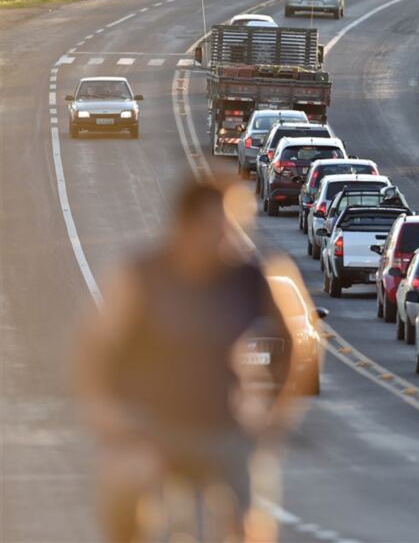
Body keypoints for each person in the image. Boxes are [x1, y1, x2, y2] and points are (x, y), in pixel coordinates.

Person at [76, 178, 299, 542]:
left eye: (234, 228)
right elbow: (94, 344)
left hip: (225, 421)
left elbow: (294, 341)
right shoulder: (142, 274)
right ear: (186, 225)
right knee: (126, 486)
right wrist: (103, 408)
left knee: (247, 521)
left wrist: (276, 413)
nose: (229, 239)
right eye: (218, 228)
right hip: (153, 422)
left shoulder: (252, 278)